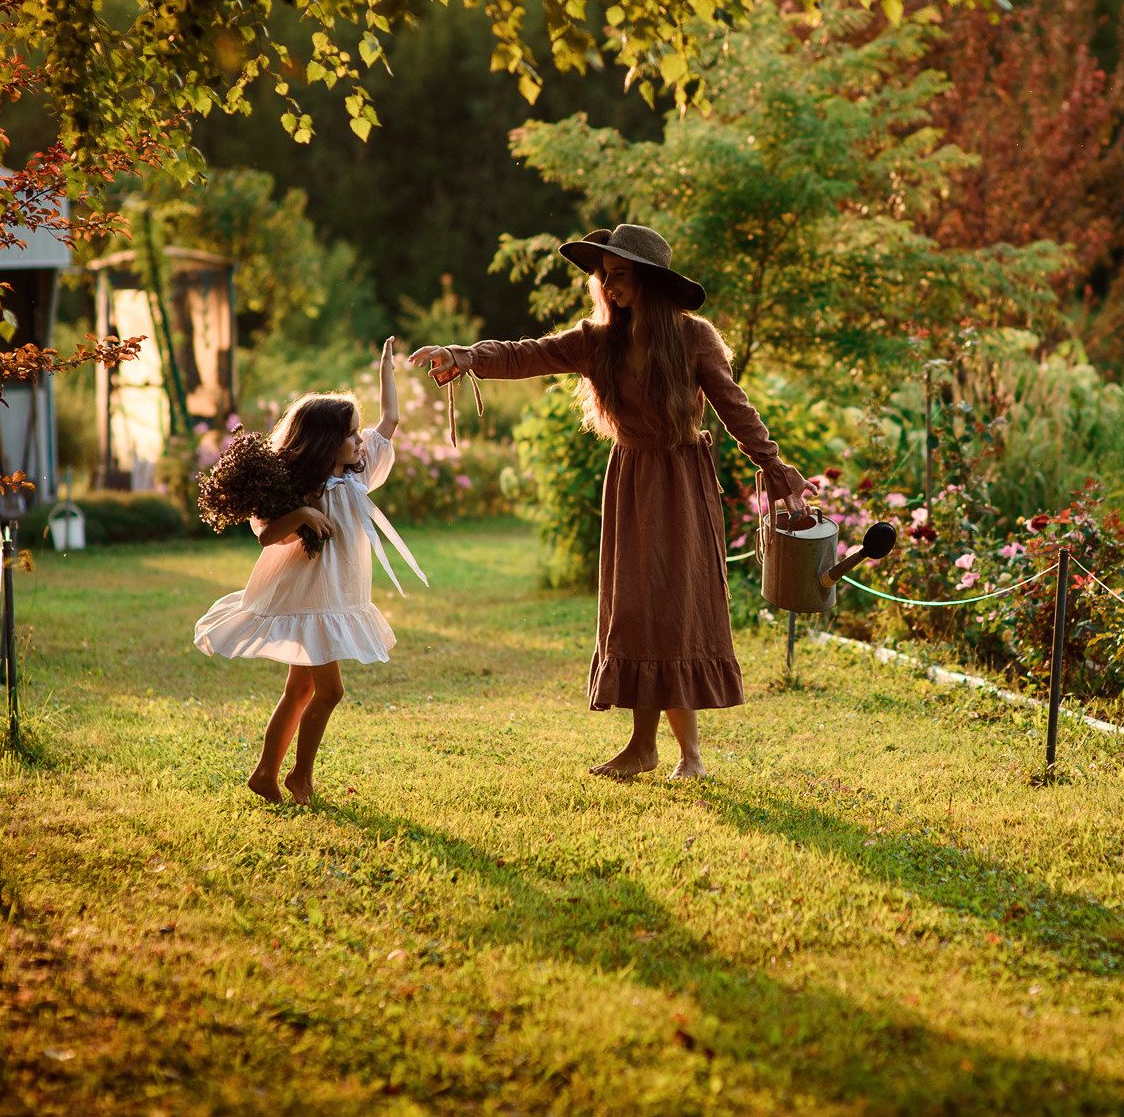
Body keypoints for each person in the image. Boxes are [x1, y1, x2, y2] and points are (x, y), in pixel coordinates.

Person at [409, 224, 808, 779]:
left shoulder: (694, 338)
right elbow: (528, 354)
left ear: (648, 280)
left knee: (674, 609)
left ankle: (690, 755)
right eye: (604, 275)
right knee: (636, 608)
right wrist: (465, 355)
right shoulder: (598, 340)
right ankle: (643, 748)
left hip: (681, 481)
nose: (608, 285)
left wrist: (777, 469)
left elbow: (734, 408)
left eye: (619, 274)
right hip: (630, 478)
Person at [194, 338, 426, 803]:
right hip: (311, 599)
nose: (360, 440)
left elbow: (391, 421)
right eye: (351, 434)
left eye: (358, 433)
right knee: (330, 691)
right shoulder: (302, 489)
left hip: (335, 597)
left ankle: (266, 774)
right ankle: (299, 776)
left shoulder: (357, 476)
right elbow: (267, 535)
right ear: (324, 441)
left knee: (300, 689)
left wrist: (387, 370)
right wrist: (302, 514)